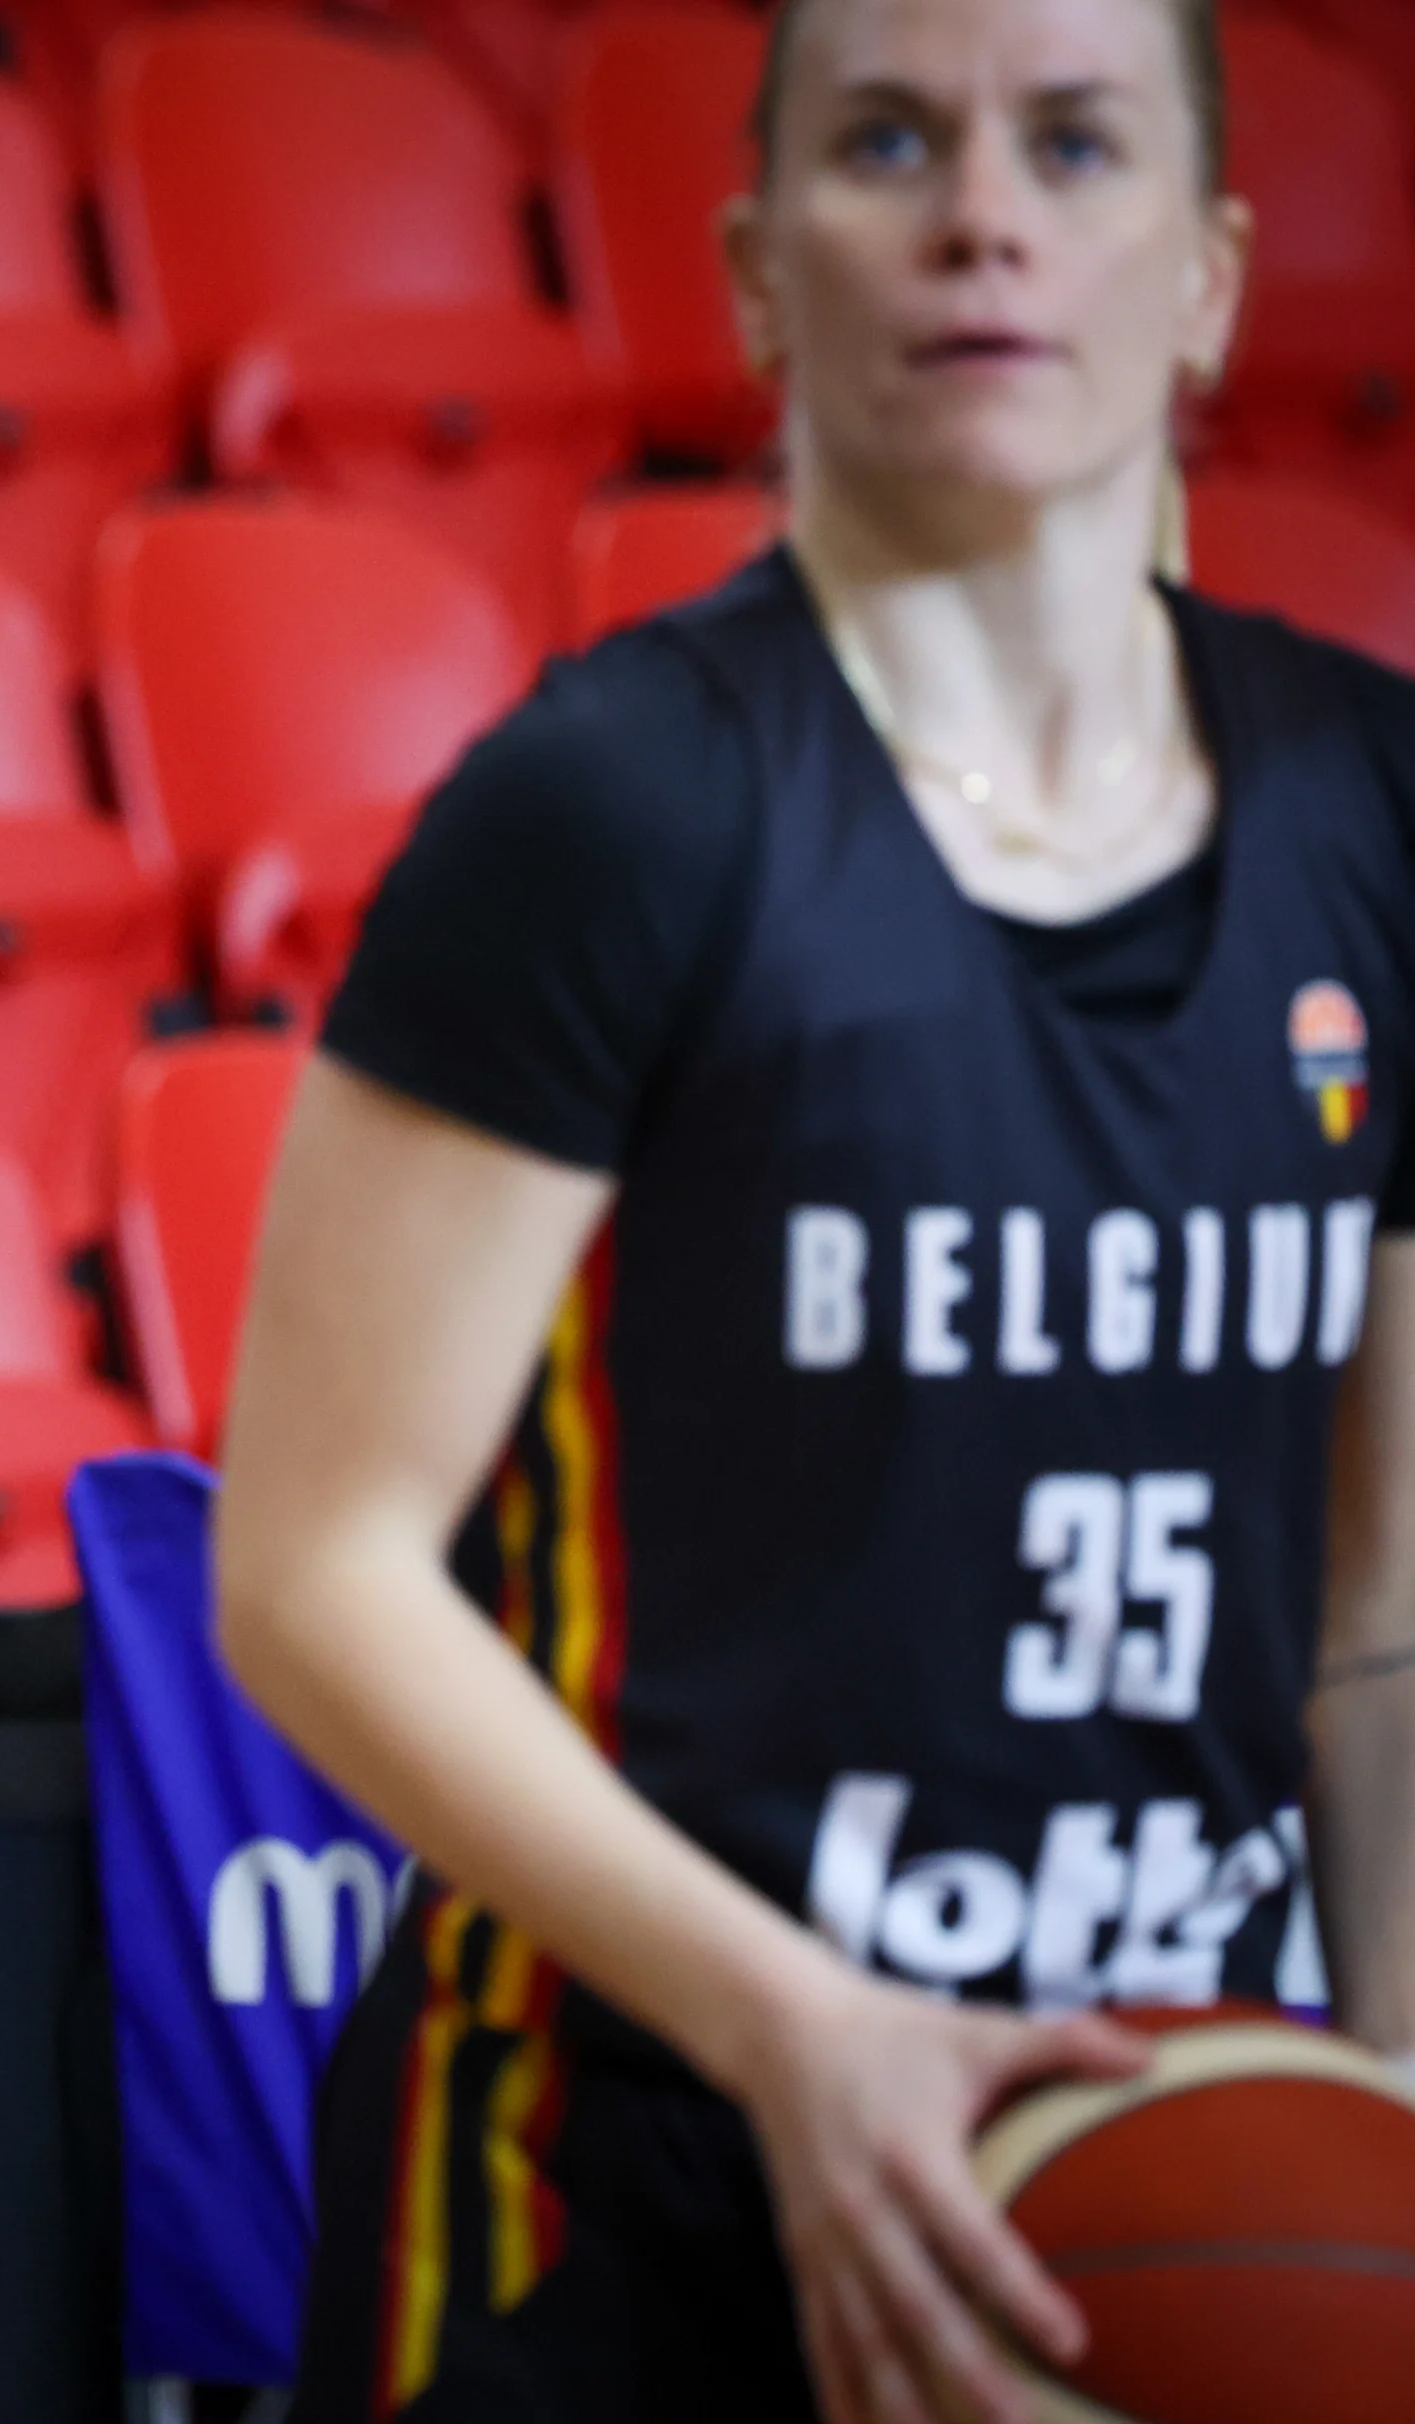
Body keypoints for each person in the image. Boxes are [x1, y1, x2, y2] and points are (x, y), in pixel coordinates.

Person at [210, 1, 1415, 2419]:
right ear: (762, 277)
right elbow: (310, 1569)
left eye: (1076, 146)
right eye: (894, 141)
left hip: (1138, 2168)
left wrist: (1385, 2100)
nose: (986, 210)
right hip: (615, 2171)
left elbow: (1383, 1616)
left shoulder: (1370, 811)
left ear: (1206, 273)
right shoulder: (608, 811)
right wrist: (803, 2029)